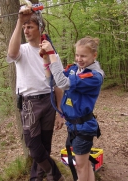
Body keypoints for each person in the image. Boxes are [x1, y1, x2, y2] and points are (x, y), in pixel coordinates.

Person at [6, 6, 65, 181]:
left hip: (49, 102)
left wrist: (60, 112)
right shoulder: (21, 50)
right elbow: (11, 53)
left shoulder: (51, 52)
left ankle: (36, 179)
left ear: (40, 28)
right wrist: (20, 20)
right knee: (34, 147)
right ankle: (55, 175)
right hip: (29, 103)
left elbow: (58, 84)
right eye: (25, 27)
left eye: (30, 26)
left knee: (45, 147)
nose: (26, 30)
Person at [40, 36, 104, 181]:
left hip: (83, 127)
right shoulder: (76, 69)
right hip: (75, 126)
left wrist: (52, 54)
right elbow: (53, 80)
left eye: (83, 56)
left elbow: (62, 83)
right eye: (77, 55)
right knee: (85, 164)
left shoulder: (93, 76)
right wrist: (46, 59)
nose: (79, 59)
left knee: (80, 166)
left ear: (94, 55)